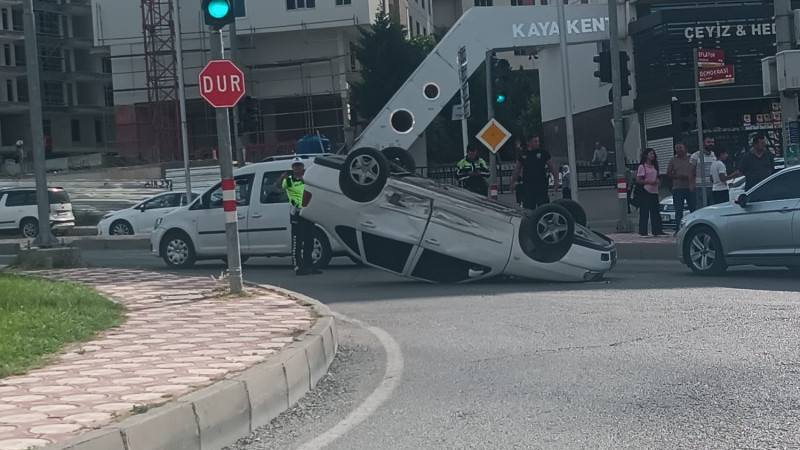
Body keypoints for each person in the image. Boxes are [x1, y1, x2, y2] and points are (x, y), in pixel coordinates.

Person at [276, 157, 319, 276]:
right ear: (292, 168)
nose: (298, 168)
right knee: (297, 242)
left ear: (303, 167)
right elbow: (279, 186)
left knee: (310, 240)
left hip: (308, 212)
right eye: (295, 166)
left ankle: (309, 265)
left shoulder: (307, 179)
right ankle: (298, 266)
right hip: (296, 214)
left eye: (299, 165)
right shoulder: (289, 180)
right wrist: (281, 178)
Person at [510, 135, 559, 210]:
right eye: (535, 141)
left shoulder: (543, 153)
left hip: (541, 184)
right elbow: (517, 169)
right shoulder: (523, 154)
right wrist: (512, 182)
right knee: (528, 208)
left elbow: (552, 167)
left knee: (543, 207)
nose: (537, 143)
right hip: (528, 185)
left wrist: (556, 179)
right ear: (528, 143)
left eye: (538, 141)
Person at [666, 141, 696, 233]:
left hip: (690, 187)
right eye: (677, 148)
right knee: (678, 210)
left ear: (685, 148)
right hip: (677, 188)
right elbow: (668, 173)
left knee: (693, 209)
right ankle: (678, 229)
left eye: (680, 148)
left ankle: (694, 228)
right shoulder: (673, 160)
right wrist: (679, 176)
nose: (679, 150)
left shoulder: (692, 158)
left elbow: (696, 170)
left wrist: (690, 176)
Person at [636, 148, 665, 237]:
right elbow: (639, 180)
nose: (652, 155)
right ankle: (643, 231)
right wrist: (649, 182)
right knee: (644, 211)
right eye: (650, 154)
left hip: (654, 191)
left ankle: (657, 230)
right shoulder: (642, 166)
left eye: (653, 154)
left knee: (655, 211)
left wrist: (657, 181)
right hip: (646, 190)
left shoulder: (655, 166)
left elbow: (657, 176)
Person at [690, 136, 716, 208]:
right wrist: (691, 184)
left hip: (713, 186)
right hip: (700, 187)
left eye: (712, 142)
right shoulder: (696, 155)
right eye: (708, 142)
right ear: (703, 143)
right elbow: (691, 171)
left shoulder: (714, 155)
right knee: (701, 207)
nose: (711, 144)